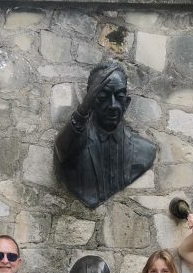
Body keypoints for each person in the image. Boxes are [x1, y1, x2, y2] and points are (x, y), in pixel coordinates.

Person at [53, 60, 158, 209]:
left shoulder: (145, 151)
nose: (113, 105)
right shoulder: (72, 144)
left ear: (126, 103)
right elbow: (62, 151)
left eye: (119, 97)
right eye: (103, 97)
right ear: (90, 101)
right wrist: (82, 112)